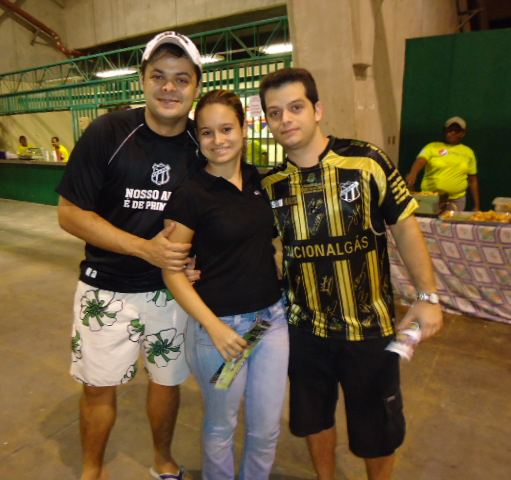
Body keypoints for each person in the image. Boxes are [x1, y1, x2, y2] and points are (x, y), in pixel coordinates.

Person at [259, 68, 443, 480]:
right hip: (304, 331)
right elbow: (253, 245)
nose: (285, 119)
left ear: (317, 109)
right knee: (313, 418)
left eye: (295, 107)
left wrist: (427, 296)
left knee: (378, 428)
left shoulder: (367, 161)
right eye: (274, 113)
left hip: (369, 329)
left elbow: (405, 227)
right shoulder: (270, 185)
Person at [56, 31, 203, 480]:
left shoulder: (204, 143)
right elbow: (69, 214)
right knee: (99, 387)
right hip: (105, 288)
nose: (169, 88)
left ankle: (162, 460)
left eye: (181, 79)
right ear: (141, 80)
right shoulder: (109, 132)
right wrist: (144, 248)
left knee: (167, 382)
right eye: (158, 76)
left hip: (170, 294)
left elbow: (220, 210)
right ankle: (92, 470)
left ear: (197, 86)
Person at [162, 90, 289, 480]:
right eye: (206, 133)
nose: (218, 141)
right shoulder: (191, 193)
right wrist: (215, 328)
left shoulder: (261, 181)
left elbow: (273, 241)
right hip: (221, 334)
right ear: (197, 138)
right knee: (222, 425)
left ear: (244, 129)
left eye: (226, 129)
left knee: (266, 427)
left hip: (269, 324)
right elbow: (171, 272)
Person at [405, 116, 480, 211]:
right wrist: (413, 173)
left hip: (456, 200)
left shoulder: (468, 152)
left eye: (457, 131)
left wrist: (476, 205)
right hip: (431, 198)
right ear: (444, 131)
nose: (452, 133)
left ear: (463, 134)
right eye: (450, 130)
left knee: (453, 225)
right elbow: (421, 160)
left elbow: (473, 180)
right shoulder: (432, 147)